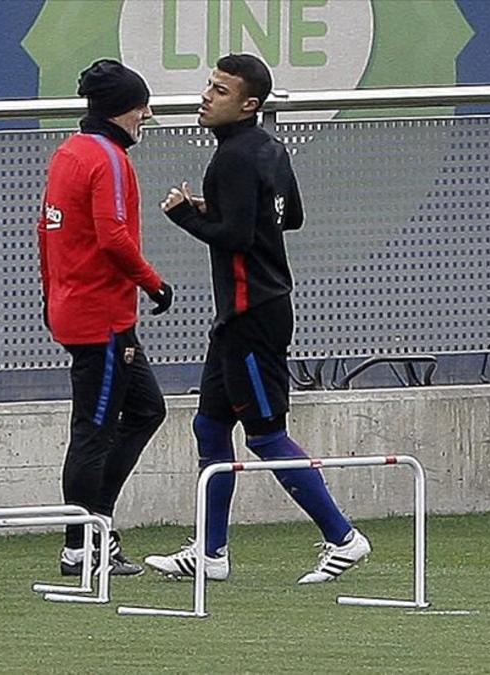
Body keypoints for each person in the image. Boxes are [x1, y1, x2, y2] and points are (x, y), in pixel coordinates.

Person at [146, 53, 370, 584]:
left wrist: (185, 216)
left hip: (253, 315)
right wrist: (217, 209)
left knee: (266, 434)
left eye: (220, 91)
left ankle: (344, 538)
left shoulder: (233, 159)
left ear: (249, 104)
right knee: (209, 424)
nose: (206, 96)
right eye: (209, 85)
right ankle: (211, 552)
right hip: (243, 315)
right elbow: (290, 216)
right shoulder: (270, 148)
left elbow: (239, 237)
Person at [37, 58, 174, 577]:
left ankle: (97, 525)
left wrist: (51, 295)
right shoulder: (110, 160)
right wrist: (153, 283)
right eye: (142, 107)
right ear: (126, 110)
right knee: (94, 430)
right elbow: (113, 236)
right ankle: (82, 544)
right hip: (103, 318)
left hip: (76, 308)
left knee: (146, 410)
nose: (147, 116)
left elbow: (46, 229)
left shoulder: (69, 152)